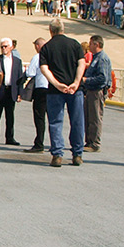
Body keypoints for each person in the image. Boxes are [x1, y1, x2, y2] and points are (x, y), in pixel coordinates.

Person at [39, 19, 85, 167]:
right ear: (63, 29)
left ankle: (57, 154)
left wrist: (57, 84)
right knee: (77, 121)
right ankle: (77, 154)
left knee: (55, 122)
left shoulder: (47, 48)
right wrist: (76, 82)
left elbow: (44, 69)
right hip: (74, 90)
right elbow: (81, 63)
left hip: (55, 91)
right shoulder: (75, 44)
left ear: (50, 30)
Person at [80, 34, 112, 152]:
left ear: (96, 44)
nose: (89, 46)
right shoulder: (95, 57)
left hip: (96, 91)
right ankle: (89, 141)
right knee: (88, 116)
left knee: (95, 117)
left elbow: (102, 78)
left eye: (91, 43)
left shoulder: (102, 58)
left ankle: (94, 143)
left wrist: (86, 80)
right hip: (90, 90)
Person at [0, 37, 22, 145]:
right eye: (2, 47)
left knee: (10, 116)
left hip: (11, 91)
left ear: (11, 47)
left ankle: (10, 137)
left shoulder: (17, 61)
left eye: (5, 46)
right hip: (0, 90)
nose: (3, 48)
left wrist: (19, 93)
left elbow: (19, 78)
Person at [25, 36, 50, 151]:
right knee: (53, 118)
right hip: (52, 88)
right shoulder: (52, 56)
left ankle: (39, 142)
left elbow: (31, 72)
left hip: (41, 89)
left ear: (37, 46)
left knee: (39, 117)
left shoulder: (38, 57)